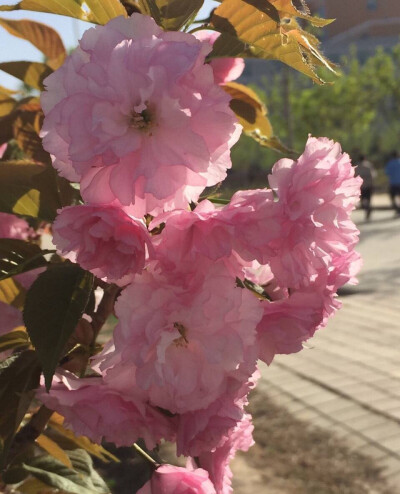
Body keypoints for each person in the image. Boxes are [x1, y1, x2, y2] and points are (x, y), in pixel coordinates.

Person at [355, 154, 376, 220]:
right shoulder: (368, 165)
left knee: (362, 200)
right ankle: (368, 209)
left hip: (361, 186)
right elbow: (373, 175)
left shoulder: (357, 166)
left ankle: (367, 209)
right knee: (368, 199)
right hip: (368, 185)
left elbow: (355, 176)